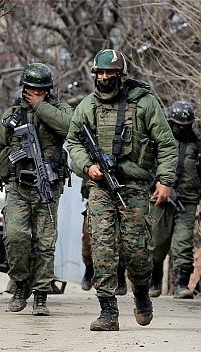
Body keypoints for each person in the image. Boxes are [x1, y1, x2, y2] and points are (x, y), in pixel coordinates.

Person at [67, 49, 178, 331]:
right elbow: (73, 142)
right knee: (102, 246)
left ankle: (141, 294)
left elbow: (166, 143)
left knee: (136, 250)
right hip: (101, 187)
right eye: (100, 73)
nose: (104, 78)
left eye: (110, 73)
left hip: (134, 186)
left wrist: (165, 181)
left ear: (120, 75)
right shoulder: (88, 106)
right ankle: (108, 311)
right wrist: (87, 167)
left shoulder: (144, 103)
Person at [0, 63, 73, 316]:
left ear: (48, 91)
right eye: (30, 89)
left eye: (40, 90)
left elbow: (70, 128)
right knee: (15, 237)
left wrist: (40, 107)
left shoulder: (59, 110)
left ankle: (41, 294)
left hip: (48, 185)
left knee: (45, 243)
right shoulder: (11, 115)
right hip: (17, 186)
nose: (34, 93)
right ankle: (21, 284)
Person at [149, 101, 201, 299]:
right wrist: (155, 185)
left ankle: (181, 284)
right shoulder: (159, 138)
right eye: (178, 124)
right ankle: (154, 281)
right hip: (160, 197)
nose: (182, 128)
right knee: (156, 241)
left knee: (183, 242)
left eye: (185, 125)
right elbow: (149, 166)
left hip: (187, 200)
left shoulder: (196, 143)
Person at [80, 179, 127, 295]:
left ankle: (120, 275)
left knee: (122, 240)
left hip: (122, 197)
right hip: (97, 195)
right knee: (89, 238)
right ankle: (89, 268)